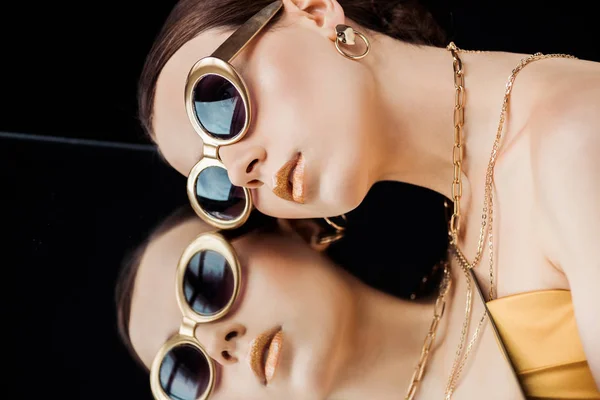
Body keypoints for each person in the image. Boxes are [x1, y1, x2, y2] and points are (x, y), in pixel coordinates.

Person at [136, 0, 600, 396]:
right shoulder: (466, 230)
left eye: (219, 104)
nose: (241, 170)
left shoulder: (572, 141)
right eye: (218, 181)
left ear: (313, 12)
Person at [115, 206, 531, 399]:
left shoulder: (510, 234)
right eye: (185, 371)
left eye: (206, 284)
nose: (216, 343)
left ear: (296, 227)